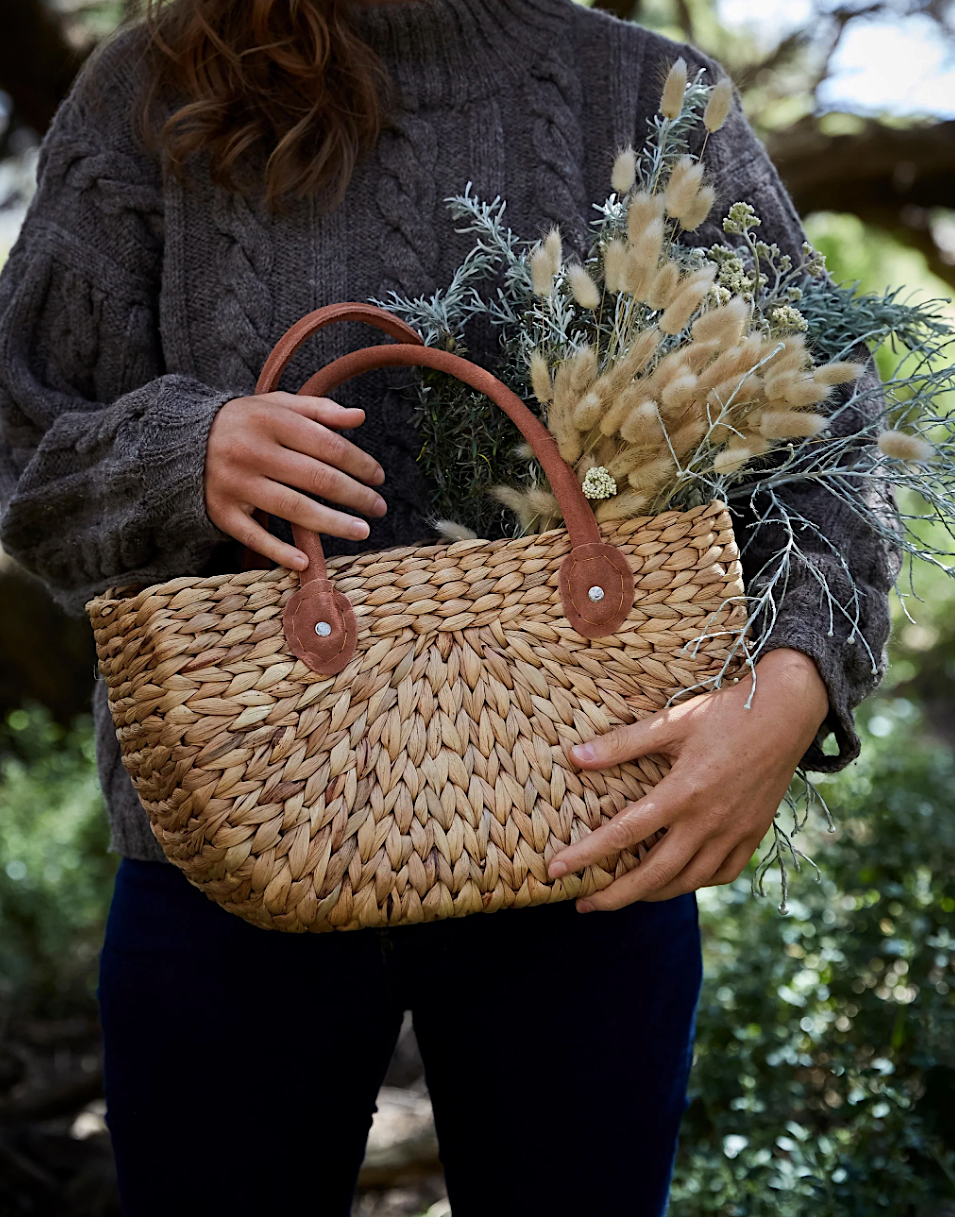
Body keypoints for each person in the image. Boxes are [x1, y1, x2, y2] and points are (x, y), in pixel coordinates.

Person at [0, 0, 897, 1213]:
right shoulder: (147, 93)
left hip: (592, 842)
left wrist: (792, 683)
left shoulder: (648, 94)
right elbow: (18, 438)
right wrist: (184, 453)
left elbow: (828, 427)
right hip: (220, 853)